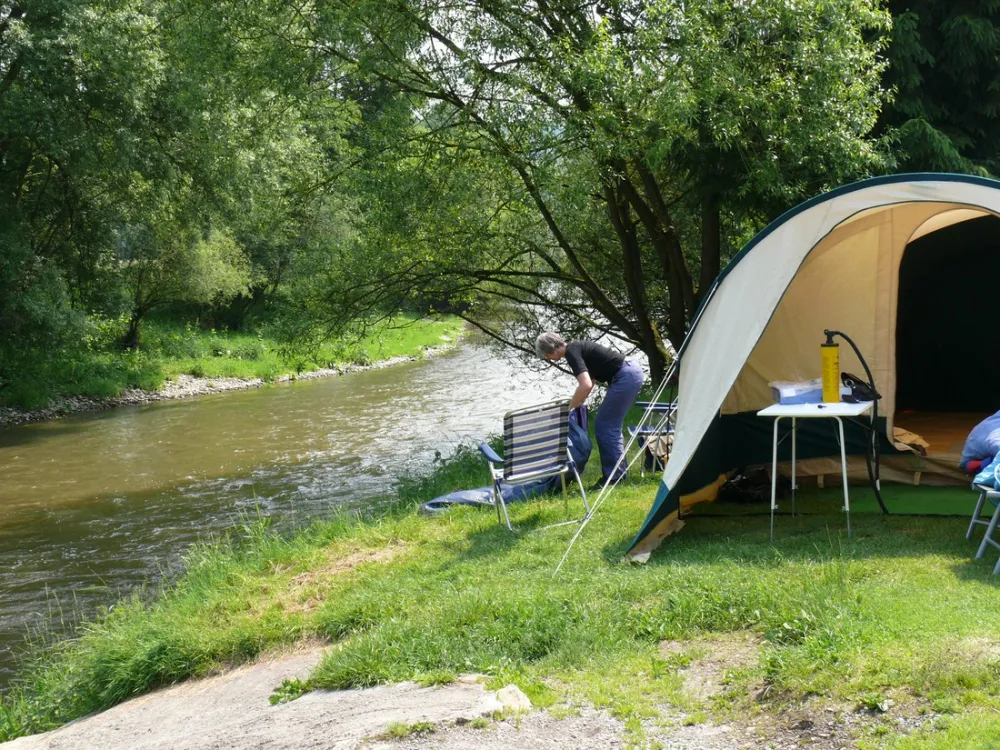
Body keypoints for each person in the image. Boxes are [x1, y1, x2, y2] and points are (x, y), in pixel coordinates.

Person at [535, 332, 644, 490]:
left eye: (546, 355)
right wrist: (579, 402)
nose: (548, 359)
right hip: (629, 371)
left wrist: (568, 408)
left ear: (551, 350)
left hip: (625, 374)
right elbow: (591, 381)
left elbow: (585, 384)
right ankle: (618, 474)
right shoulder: (575, 348)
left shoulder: (571, 352)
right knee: (608, 425)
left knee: (605, 425)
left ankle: (614, 478)